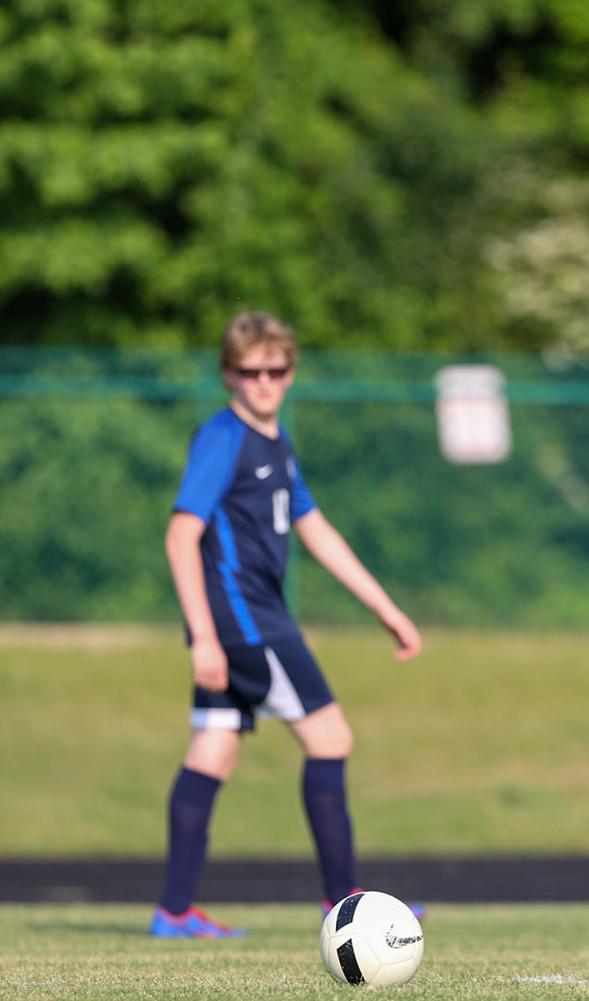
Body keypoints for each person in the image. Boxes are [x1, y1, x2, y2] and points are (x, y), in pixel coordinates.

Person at [151, 312, 422, 938]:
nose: (264, 382)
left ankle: (173, 913)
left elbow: (316, 529)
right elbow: (180, 534)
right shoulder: (223, 438)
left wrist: (385, 609)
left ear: (291, 373)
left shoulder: (276, 442)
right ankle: (345, 904)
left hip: (246, 620)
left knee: (213, 748)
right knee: (331, 739)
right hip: (247, 622)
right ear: (229, 375)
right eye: (250, 372)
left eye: (275, 370)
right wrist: (205, 638)